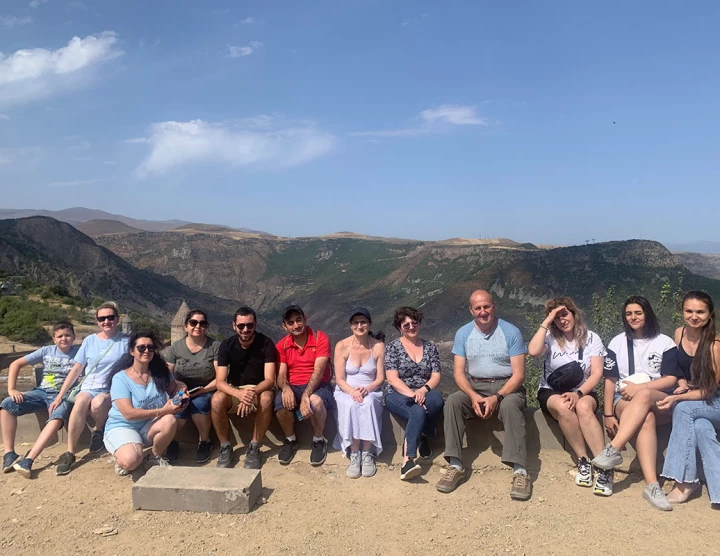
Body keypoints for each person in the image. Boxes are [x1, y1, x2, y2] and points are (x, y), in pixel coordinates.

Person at [437, 290, 531, 500]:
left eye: (486, 306)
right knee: (452, 401)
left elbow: (519, 376)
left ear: (494, 306)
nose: (483, 312)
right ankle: (455, 464)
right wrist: (472, 396)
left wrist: (496, 397)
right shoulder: (463, 333)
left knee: (509, 406)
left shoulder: (510, 331)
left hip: (507, 387)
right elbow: (459, 373)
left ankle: (520, 470)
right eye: (478, 308)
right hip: (475, 386)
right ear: (471, 310)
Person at [592, 295, 682, 511]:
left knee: (643, 397)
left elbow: (670, 379)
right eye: (629, 314)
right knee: (646, 418)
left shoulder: (665, 342)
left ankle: (613, 449)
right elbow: (610, 381)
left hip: (660, 398)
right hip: (623, 399)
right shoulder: (617, 342)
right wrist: (608, 414)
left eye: (638, 313)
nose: (633, 317)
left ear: (647, 314)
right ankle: (652, 486)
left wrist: (640, 388)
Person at [528, 298, 607, 493]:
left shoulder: (592, 338)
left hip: (584, 389)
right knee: (564, 406)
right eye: (556, 317)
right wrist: (546, 323)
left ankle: (604, 466)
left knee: (583, 407)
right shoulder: (549, 337)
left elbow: (597, 373)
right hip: (551, 391)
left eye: (565, 314)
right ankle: (583, 461)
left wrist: (578, 393)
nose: (562, 320)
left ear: (574, 313)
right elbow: (533, 351)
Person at [49, 302, 129, 476]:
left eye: (110, 317)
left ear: (117, 319)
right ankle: (70, 453)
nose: (106, 321)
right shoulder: (89, 340)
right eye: (102, 318)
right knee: (80, 403)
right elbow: (77, 368)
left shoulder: (125, 342)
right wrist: (60, 396)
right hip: (88, 386)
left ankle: (98, 430)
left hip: (110, 387)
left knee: (98, 403)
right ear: (97, 321)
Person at [661, 291, 720, 506]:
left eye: (700, 312)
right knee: (701, 427)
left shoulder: (715, 345)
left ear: (710, 314)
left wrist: (679, 398)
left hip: (714, 401)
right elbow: (680, 371)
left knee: (683, 409)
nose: (694, 316)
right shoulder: (680, 333)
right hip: (698, 403)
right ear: (682, 312)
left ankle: (684, 481)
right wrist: (682, 384)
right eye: (689, 311)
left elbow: (710, 390)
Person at [1, 321, 80, 478]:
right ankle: (9, 454)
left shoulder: (80, 353)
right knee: (7, 405)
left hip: (62, 396)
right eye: (60, 336)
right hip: (41, 392)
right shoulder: (46, 351)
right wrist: (12, 389)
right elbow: (15, 364)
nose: (63, 339)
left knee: (56, 418)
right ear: (54, 339)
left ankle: (29, 460)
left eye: (67, 335)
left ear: (73, 337)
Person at [104, 331, 187, 475]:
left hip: (149, 425)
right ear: (132, 351)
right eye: (141, 348)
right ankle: (124, 454)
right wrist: (163, 410)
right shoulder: (120, 379)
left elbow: (174, 388)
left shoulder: (160, 372)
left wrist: (181, 392)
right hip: (123, 426)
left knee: (170, 420)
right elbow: (129, 414)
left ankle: (154, 456)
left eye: (150, 347)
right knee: (131, 462)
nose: (146, 351)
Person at [211, 307, 276, 469]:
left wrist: (250, 394)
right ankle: (225, 446)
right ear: (234, 326)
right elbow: (220, 381)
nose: (245, 329)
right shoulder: (226, 346)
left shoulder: (266, 343)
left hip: (259, 388)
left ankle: (254, 446)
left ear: (255, 325)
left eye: (250, 325)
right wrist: (239, 394)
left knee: (267, 398)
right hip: (236, 389)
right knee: (217, 399)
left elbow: (269, 379)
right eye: (241, 326)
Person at [384, 306, 444, 481]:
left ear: (419, 324)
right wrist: (412, 395)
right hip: (398, 393)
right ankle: (407, 461)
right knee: (417, 411)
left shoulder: (430, 348)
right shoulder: (393, 348)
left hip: (423, 391)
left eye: (414, 323)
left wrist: (423, 390)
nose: (411, 327)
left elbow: (436, 375)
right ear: (399, 328)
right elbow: (392, 379)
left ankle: (422, 433)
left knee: (438, 400)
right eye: (406, 325)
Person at [274, 304, 334, 466]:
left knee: (315, 402)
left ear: (305, 319)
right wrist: (285, 388)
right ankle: (291, 439)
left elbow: (319, 371)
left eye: (298, 320)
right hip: (293, 385)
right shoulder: (282, 345)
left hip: (318, 385)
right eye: (291, 322)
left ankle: (318, 440)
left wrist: (306, 396)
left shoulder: (320, 338)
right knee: (280, 405)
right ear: (285, 326)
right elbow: (280, 374)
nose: (296, 325)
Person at [333, 307, 386, 478]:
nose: (359, 325)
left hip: (370, 389)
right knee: (351, 404)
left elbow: (380, 378)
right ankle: (355, 452)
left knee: (368, 403)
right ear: (350, 325)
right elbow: (339, 378)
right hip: (345, 389)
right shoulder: (342, 346)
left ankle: (367, 452)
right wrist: (351, 391)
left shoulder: (378, 346)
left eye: (363, 322)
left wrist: (367, 389)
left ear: (369, 324)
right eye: (355, 322)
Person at [164, 309, 220, 464]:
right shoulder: (176, 348)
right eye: (193, 323)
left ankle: (205, 441)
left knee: (200, 403)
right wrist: (176, 388)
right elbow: (168, 373)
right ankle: (173, 441)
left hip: (206, 387)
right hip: (180, 388)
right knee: (179, 404)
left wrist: (204, 389)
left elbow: (221, 377)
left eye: (202, 323)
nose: (198, 326)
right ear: (185, 327)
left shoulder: (214, 346)